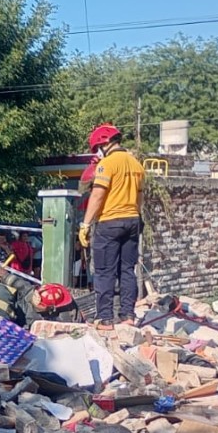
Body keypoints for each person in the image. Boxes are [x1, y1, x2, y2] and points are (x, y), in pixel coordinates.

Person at [79, 124, 145, 326]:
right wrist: (136, 215)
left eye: (98, 147)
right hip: (133, 220)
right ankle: (128, 316)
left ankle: (105, 318)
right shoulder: (137, 165)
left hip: (109, 222)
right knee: (127, 270)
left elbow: (98, 195)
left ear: (105, 143)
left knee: (104, 271)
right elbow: (140, 196)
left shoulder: (106, 165)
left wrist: (86, 224)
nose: (99, 151)